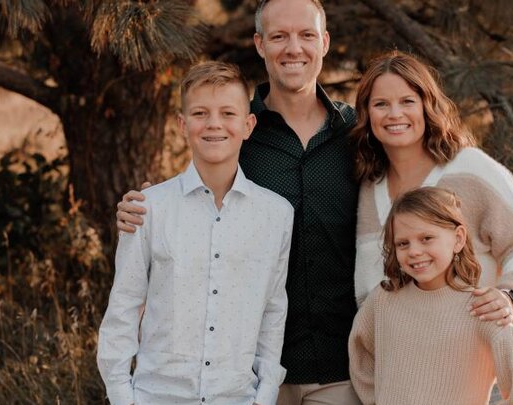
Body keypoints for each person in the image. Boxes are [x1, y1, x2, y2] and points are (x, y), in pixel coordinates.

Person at [116, 1, 363, 403]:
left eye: (306, 35)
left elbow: (404, 203)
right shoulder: (233, 127)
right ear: (259, 44)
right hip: (242, 377)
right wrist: (137, 211)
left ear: (325, 42)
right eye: (279, 36)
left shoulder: (356, 134)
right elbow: (188, 206)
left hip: (340, 367)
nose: (293, 48)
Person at [97, 61, 293, 405]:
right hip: (156, 396)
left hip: (238, 398)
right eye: (200, 113)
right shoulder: (150, 209)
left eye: (228, 113)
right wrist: (121, 395)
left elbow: (273, 309)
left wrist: (265, 394)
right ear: (182, 124)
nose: (214, 124)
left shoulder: (276, 215)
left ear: (248, 125)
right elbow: (124, 306)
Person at [352, 51, 513, 330]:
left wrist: (511, 296)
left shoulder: (471, 169)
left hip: (475, 361)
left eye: (407, 101)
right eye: (381, 104)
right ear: (366, 113)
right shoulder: (368, 187)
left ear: (426, 105)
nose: (395, 114)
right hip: (397, 363)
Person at [348, 187, 513, 405]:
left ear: (458, 239)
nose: (414, 251)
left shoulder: (481, 308)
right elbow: (362, 358)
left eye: (426, 238)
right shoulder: (383, 301)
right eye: (403, 243)